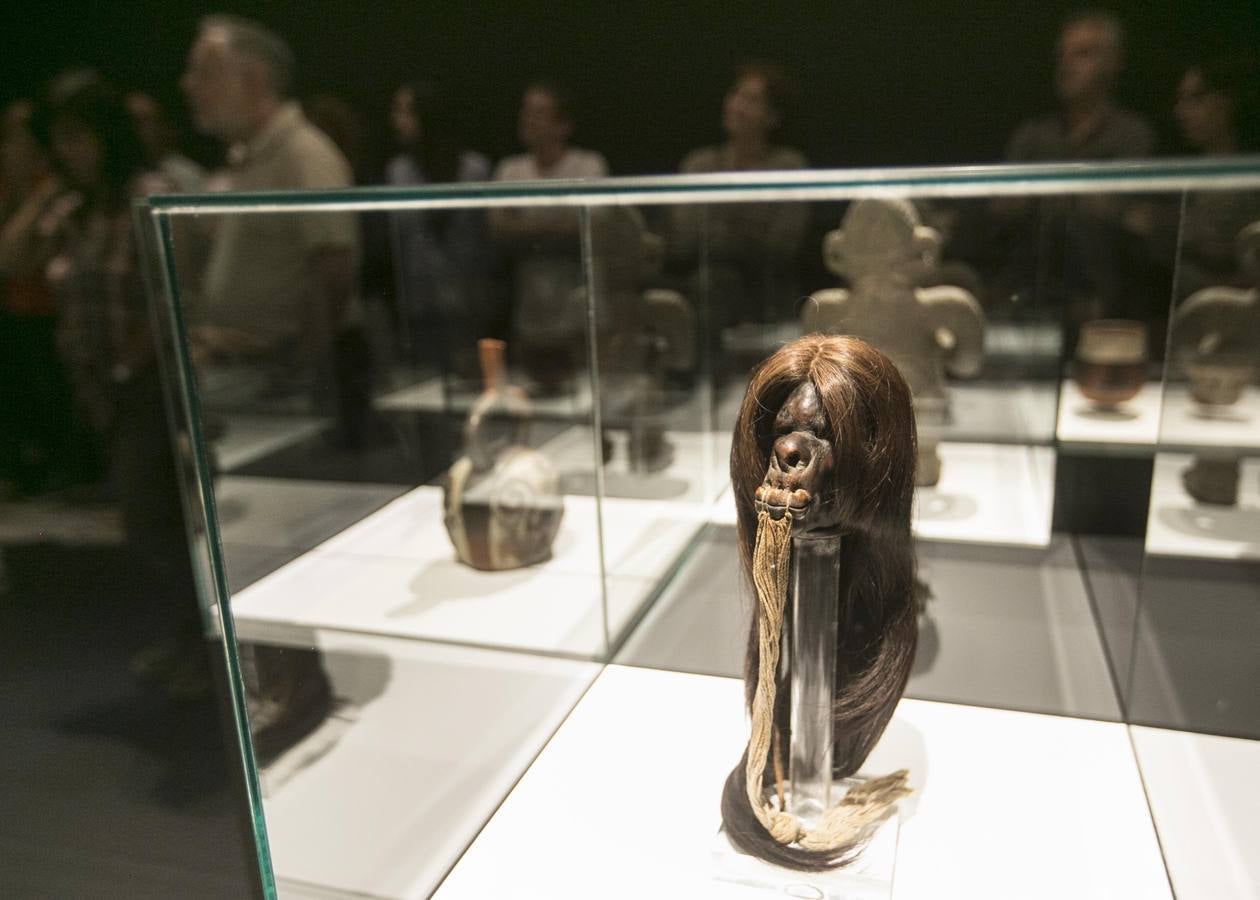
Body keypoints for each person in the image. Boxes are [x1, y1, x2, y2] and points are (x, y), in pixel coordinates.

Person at [182, 13, 354, 760]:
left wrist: (301, 367)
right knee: (246, 545)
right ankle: (269, 680)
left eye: (204, 70)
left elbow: (334, 269)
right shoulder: (253, 157)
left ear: (250, 78)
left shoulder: (303, 153)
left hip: (275, 387)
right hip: (242, 384)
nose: (189, 85)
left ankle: (293, 687)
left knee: (274, 546)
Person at [672, 62, 808, 332]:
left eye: (752, 100)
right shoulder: (699, 164)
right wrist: (748, 234)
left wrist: (721, 234)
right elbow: (685, 238)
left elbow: (782, 246)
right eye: (735, 95)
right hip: (705, 301)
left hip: (771, 301)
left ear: (773, 117)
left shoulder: (789, 166)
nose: (737, 106)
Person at [490, 83, 607, 391]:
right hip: (528, 311)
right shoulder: (510, 170)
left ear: (563, 124)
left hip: (581, 311)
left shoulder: (589, 165)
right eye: (525, 111)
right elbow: (499, 229)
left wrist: (527, 228)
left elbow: (592, 229)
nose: (528, 120)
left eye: (539, 113)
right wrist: (560, 223)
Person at [385, 81, 492, 379]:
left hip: (468, 304)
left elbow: (485, 243)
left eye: (405, 112)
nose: (397, 120)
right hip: (418, 305)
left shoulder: (474, 169)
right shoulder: (399, 172)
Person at [0, 99, 67, 496]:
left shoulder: (57, 187)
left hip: (52, 310)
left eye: (17, 139)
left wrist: (38, 194)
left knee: (52, 397)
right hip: (15, 309)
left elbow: (13, 257)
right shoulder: (8, 186)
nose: (8, 148)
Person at [1006, 10, 1155, 162]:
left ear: (1111, 62)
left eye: (1082, 54)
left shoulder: (1129, 135)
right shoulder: (1032, 138)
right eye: (1062, 54)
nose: (1066, 64)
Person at [1174, 56, 1260, 296]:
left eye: (1196, 99)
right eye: (1180, 100)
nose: (1180, 112)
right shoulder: (1183, 176)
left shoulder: (1249, 180)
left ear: (1227, 102)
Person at [125, 91, 204, 192]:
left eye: (144, 121)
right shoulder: (112, 173)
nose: (134, 129)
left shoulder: (186, 174)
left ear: (161, 125)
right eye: (130, 121)